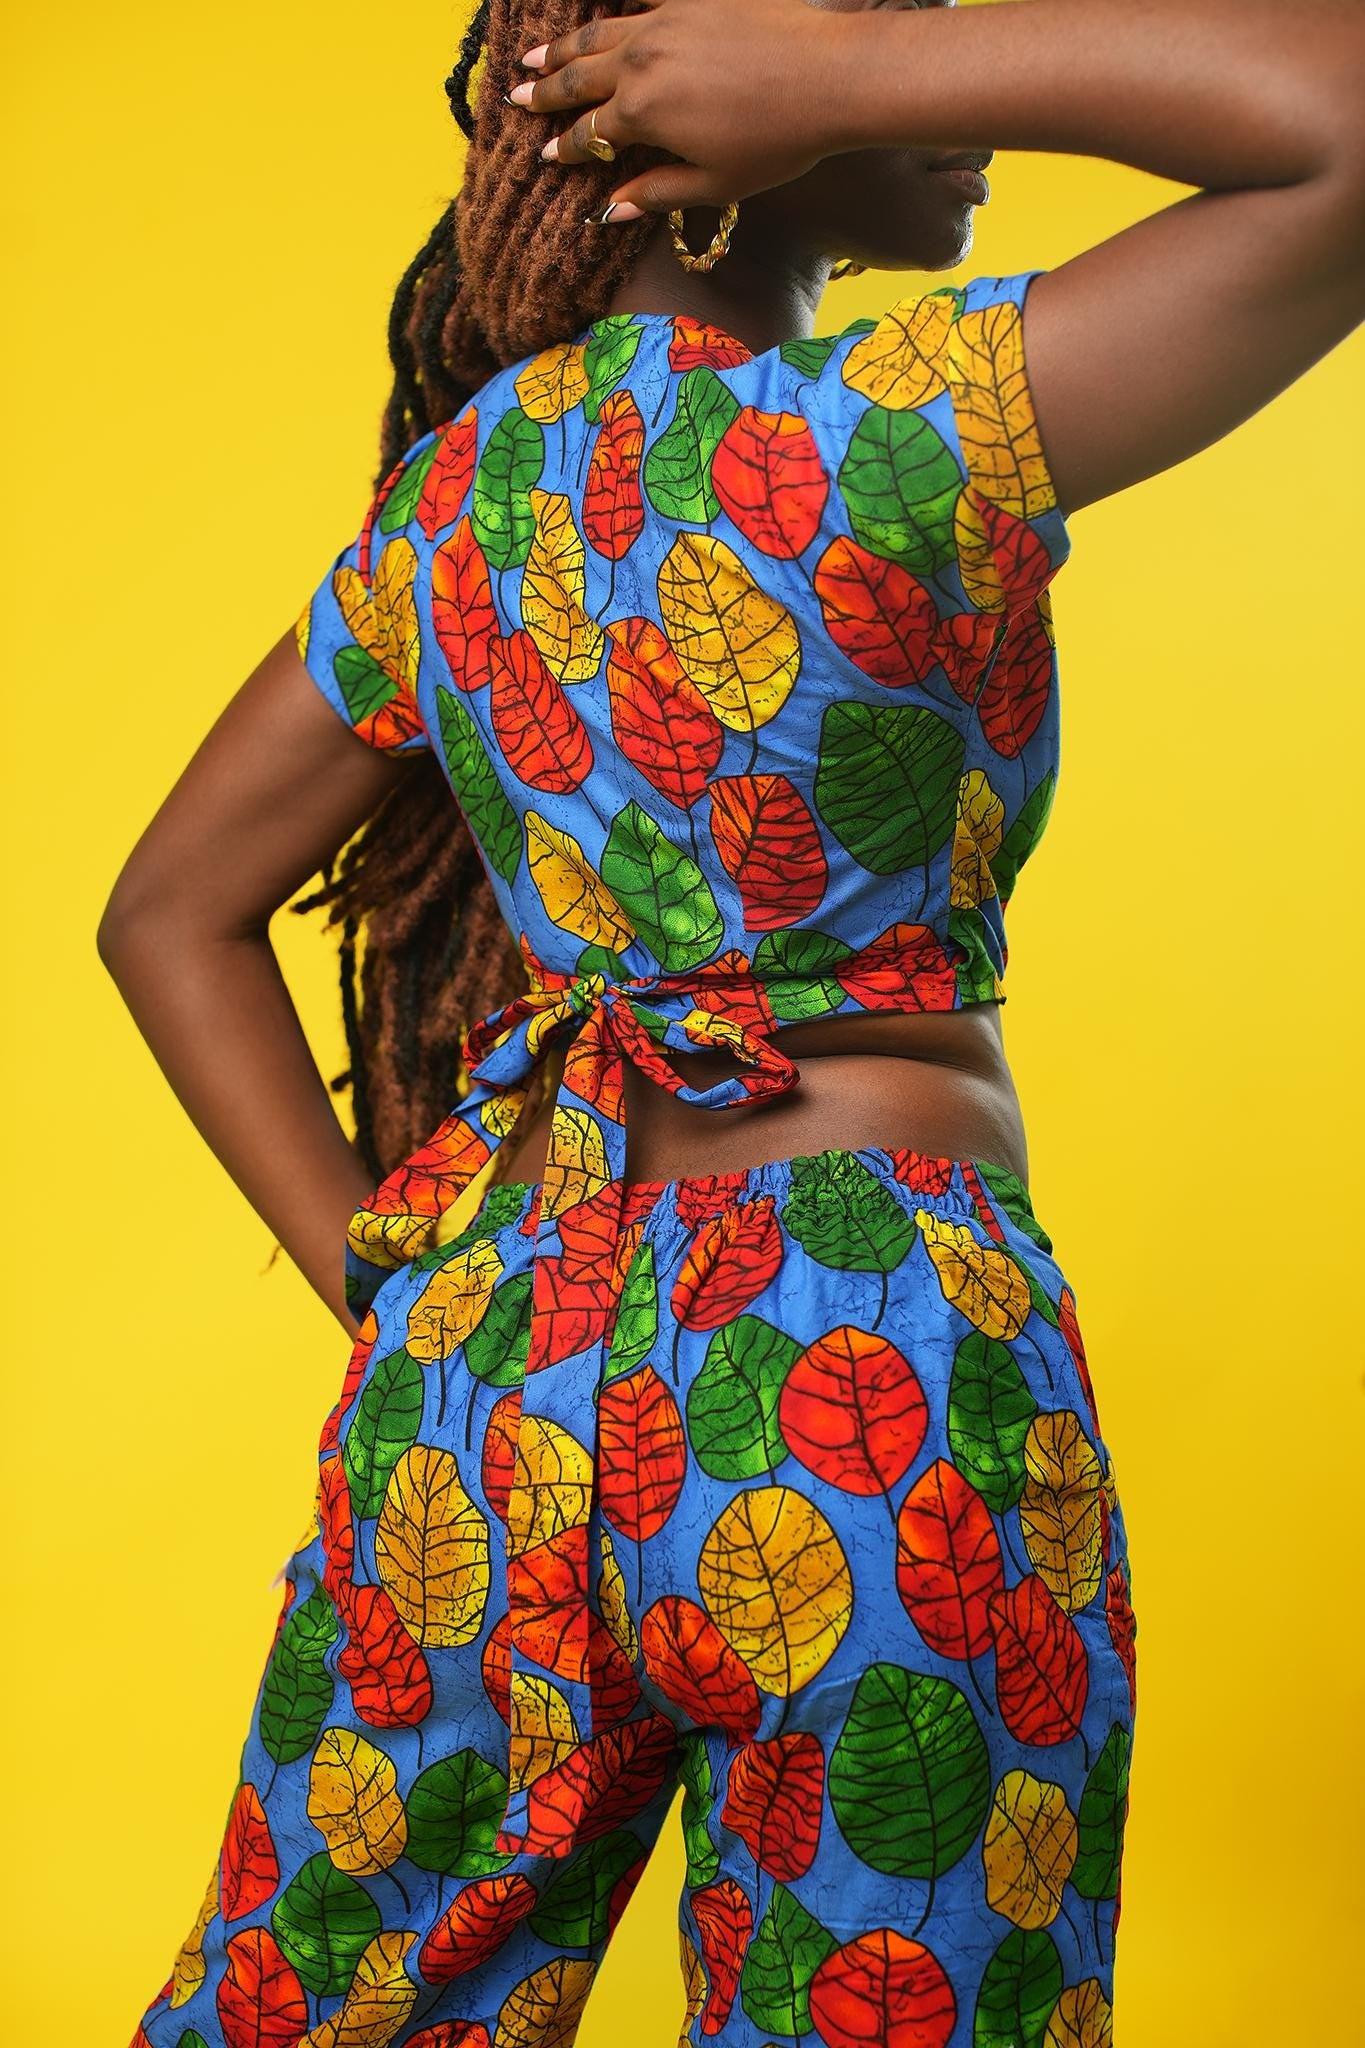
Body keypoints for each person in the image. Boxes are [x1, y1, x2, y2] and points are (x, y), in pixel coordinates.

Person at [112, 2, 1363, 2043]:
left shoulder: (457, 505)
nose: (930, 59)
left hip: (487, 1372)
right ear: (711, 109)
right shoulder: (900, 423)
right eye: (869, 19)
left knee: (325, 2007)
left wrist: (390, 1286)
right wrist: (847, 93)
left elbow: (165, 909)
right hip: (860, 1363)